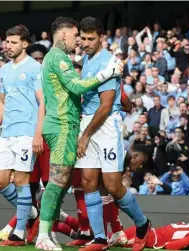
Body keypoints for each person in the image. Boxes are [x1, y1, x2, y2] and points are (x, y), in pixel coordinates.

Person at [35, 16, 125, 251]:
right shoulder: (59, 57)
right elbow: (76, 87)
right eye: (76, 35)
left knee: (62, 183)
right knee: (57, 182)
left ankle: (48, 232)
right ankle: (43, 235)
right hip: (63, 125)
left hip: (62, 124)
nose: (79, 40)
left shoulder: (53, 58)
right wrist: (108, 73)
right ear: (64, 35)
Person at [72, 17, 150, 251]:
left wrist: (84, 135)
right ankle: (99, 238)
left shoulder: (108, 61)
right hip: (88, 122)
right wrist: (125, 101)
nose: (85, 43)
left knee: (113, 186)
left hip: (105, 126)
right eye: (83, 38)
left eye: (90, 39)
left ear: (102, 38)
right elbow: (114, 92)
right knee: (88, 181)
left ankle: (142, 223)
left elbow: (105, 105)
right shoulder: (86, 58)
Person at [0, 25, 43, 246]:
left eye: (12, 42)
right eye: (6, 42)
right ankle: (29, 211)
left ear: (24, 44)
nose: (7, 46)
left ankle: (19, 233)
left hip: (26, 133)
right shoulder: (4, 70)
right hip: (7, 133)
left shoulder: (34, 68)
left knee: (21, 181)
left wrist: (37, 134)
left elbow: (43, 103)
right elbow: (2, 101)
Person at [114, 222, 189, 251]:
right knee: (106, 243)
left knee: (106, 240)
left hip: (148, 234)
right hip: (146, 238)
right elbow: (170, 246)